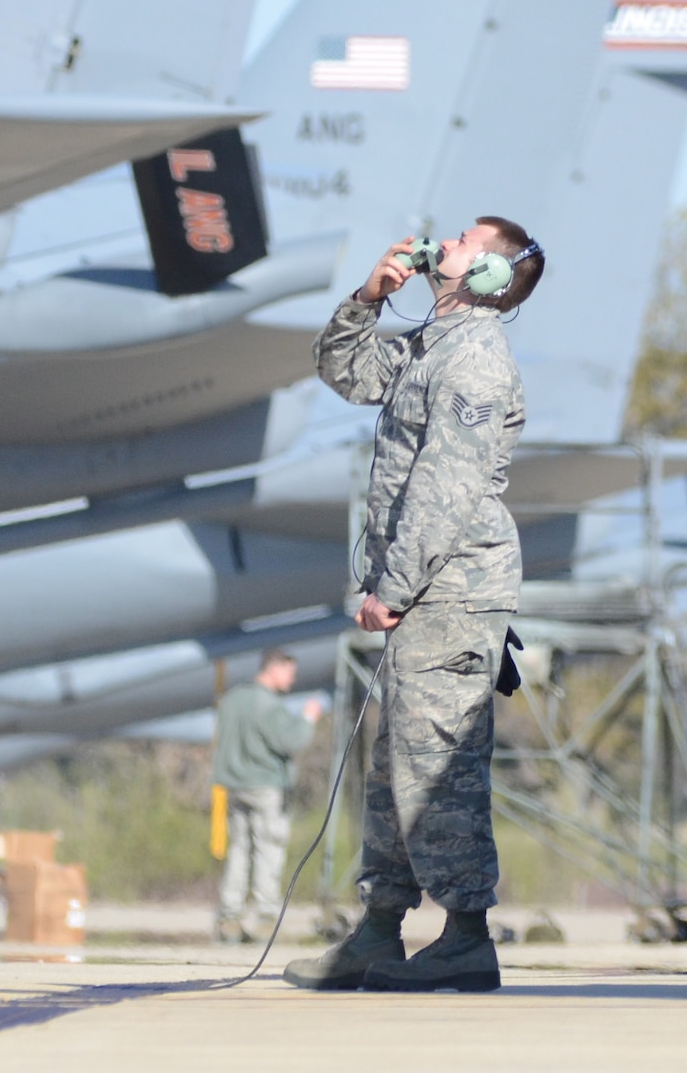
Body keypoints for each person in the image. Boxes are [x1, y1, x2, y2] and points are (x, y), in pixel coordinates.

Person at [285, 219, 543, 994]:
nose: (444, 241)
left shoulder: (475, 362)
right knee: (394, 765)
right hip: (424, 591)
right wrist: (369, 298)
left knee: (439, 763)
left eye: (464, 240)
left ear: (491, 275)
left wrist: (391, 588)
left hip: (450, 592)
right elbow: (345, 372)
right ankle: (379, 929)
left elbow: (446, 487)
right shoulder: (430, 344)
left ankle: (465, 936)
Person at [210, 648, 323, 942]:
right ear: (274, 669)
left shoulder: (232, 699)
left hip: (235, 785)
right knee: (269, 850)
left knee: (238, 850)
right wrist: (308, 718)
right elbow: (292, 740)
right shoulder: (269, 705)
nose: (292, 680)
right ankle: (265, 917)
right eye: (289, 672)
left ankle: (229, 917)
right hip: (266, 787)